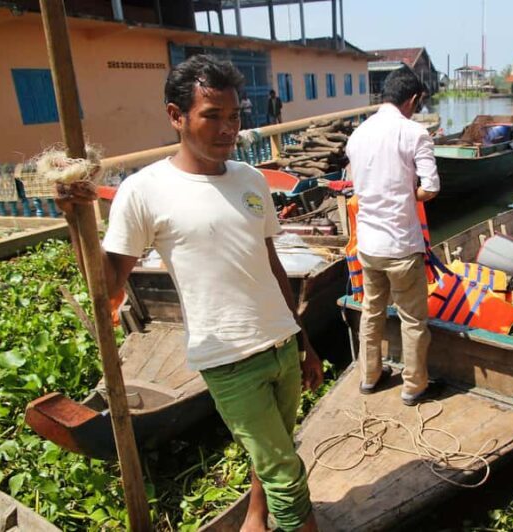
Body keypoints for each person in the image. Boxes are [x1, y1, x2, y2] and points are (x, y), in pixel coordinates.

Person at [56, 54, 322, 532]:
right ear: (176, 116)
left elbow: (272, 265)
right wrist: (78, 225)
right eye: (212, 116)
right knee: (287, 473)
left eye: (235, 116)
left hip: (282, 343)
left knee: (278, 443)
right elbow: (109, 285)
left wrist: (304, 340)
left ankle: (254, 519)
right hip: (228, 359)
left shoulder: (251, 179)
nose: (228, 129)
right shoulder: (146, 191)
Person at [345, 65, 442, 407]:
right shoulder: (414, 133)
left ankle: (369, 377)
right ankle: (414, 386)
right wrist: (408, 194)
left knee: (371, 313)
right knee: (413, 319)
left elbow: (358, 187)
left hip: (368, 247)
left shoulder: (356, 136)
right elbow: (431, 187)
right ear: (412, 99)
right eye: (418, 103)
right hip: (401, 247)